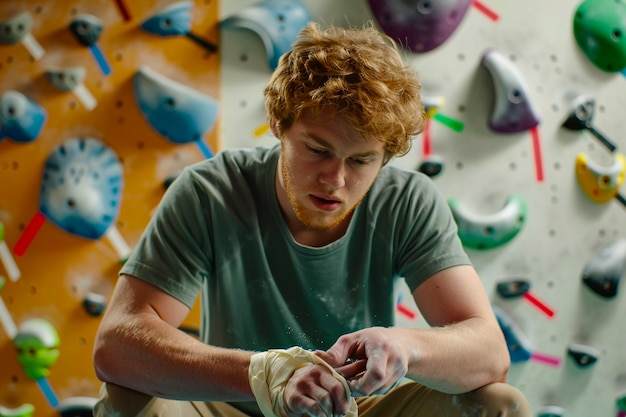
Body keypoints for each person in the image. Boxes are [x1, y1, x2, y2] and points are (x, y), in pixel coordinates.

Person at [92, 21, 532, 417]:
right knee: (125, 400)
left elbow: (491, 354)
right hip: (232, 406)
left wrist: (408, 347)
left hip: (358, 410)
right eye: (318, 150)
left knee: (500, 405)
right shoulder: (212, 190)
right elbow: (117, 345)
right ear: (279, 126)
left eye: (361, 160)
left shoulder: (409, 201)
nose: (334, 180)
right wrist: (265, 373)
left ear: (385, 158)